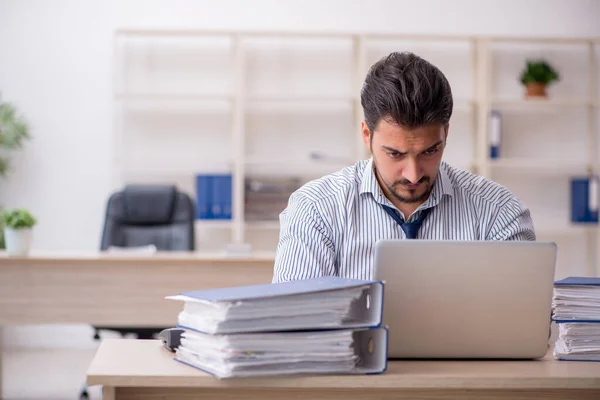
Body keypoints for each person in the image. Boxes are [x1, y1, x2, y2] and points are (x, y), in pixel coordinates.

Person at [272, 51, 535, 283]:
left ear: (446, 133)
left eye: (429, 151)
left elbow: (525, 326)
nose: (413, 174)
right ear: (367, 135)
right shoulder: (315, 209)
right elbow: (294, 325)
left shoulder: (499, 211)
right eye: (395, 154)